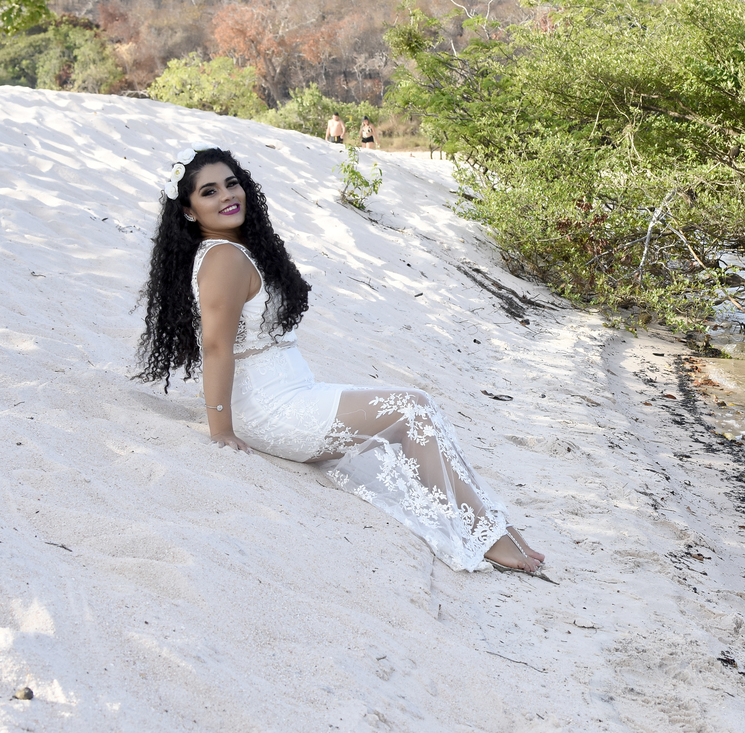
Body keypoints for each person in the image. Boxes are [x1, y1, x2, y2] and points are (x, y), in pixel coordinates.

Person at [136, 144, 545, 575]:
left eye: (231, 184)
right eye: (209, 192)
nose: (226, 196)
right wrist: (220, 429)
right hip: (270, 409)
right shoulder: (223, 258)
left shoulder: (237, 249)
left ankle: (491, 524)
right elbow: (216, 346)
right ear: (188, 210)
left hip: (295, 394)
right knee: (414, 409)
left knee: (419, 412)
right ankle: (485, 533)